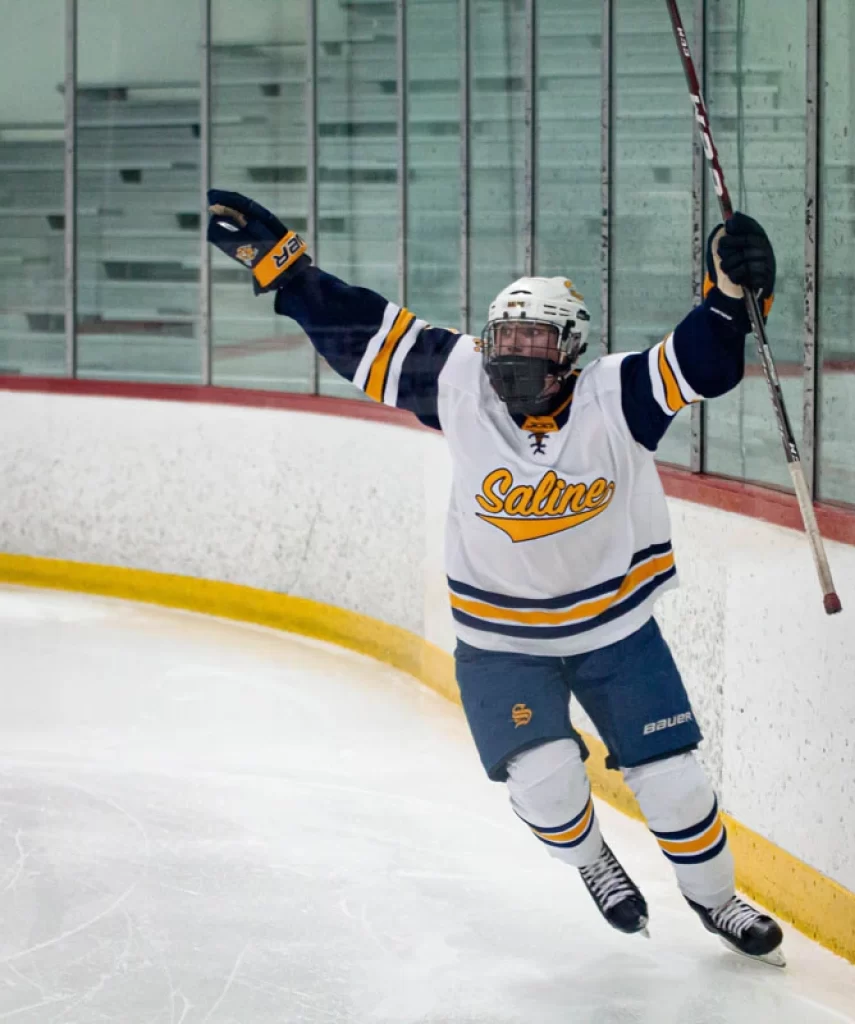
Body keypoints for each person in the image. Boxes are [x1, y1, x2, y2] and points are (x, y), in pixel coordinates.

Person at [206, 189, 785, 966]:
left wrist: (729, 297)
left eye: (534, 339)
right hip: (501, 639)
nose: (512, 353)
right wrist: (288, 272)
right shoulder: (460, 381)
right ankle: (593, 865)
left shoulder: (618, 396)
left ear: (570, 347)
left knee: (674, 785)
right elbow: (358, 332)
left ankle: (718, 902)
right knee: (546, 783)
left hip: (614, 629)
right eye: (503, 336)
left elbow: (704, 361)